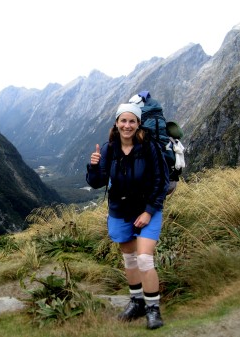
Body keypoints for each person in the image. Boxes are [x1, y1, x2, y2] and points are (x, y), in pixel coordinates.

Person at [86, 102, 169, 329]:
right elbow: (97, 183)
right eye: (123, 120)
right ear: (116, 123)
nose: (127, 125)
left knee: (143, 258)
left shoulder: (149, 146)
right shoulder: (108, 149)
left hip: (147, 210)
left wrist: (149, 212)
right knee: (130, 258)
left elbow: (161, 182)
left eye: (132, 121)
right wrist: (93, 167)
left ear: (138, 124)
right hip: (119, 211)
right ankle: (137, 303)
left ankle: (153, 309)